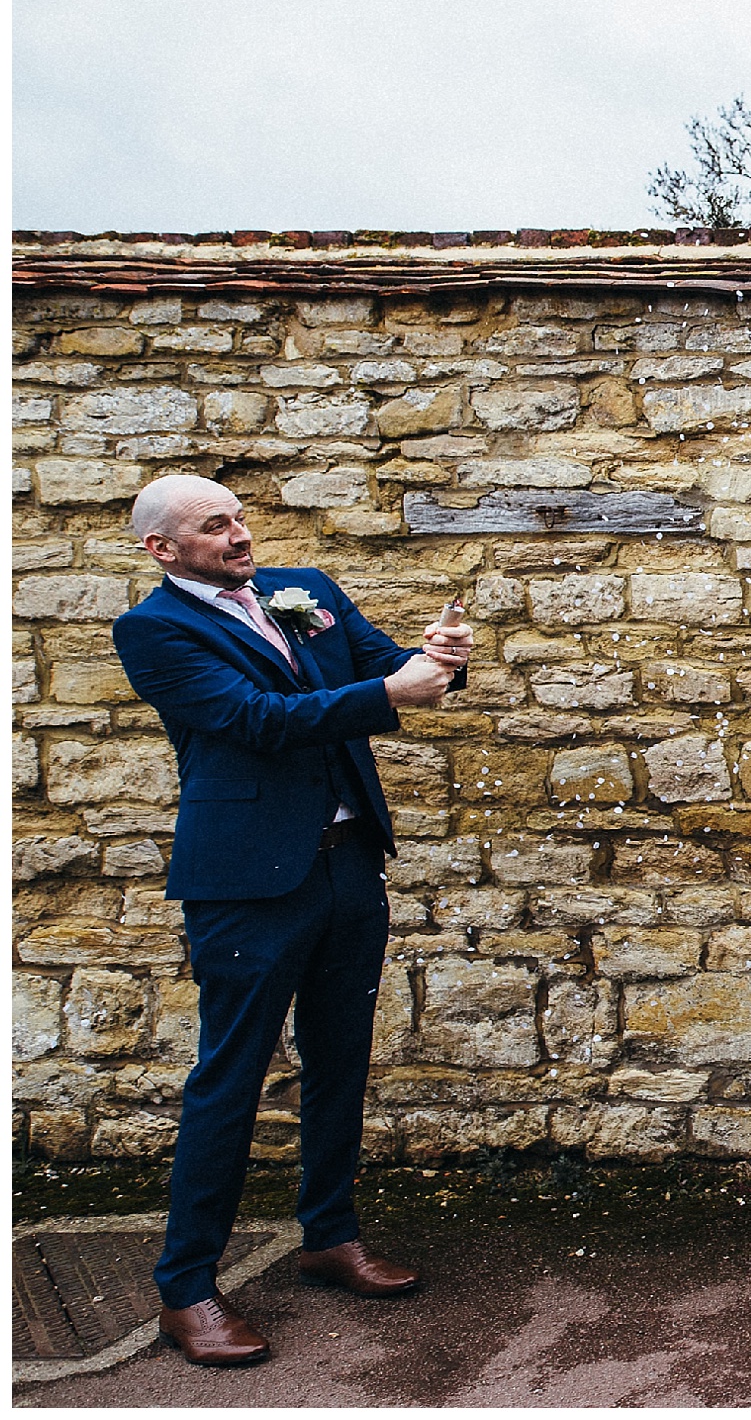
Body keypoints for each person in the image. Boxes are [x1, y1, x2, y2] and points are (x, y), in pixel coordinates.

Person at [110, 474, 471, 1366]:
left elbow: (386, 667)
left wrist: (441, 658)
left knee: (342, 1055)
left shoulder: (298, 588)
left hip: (348, 863)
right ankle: (187, 1287)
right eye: (213, 527)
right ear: (163, 549)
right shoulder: (153, 630)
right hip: (246, 882)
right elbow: (257, 720)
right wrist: (396, 695)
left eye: (238, 517)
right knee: (229, 1078)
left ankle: (329, 1236)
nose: (239, 536)